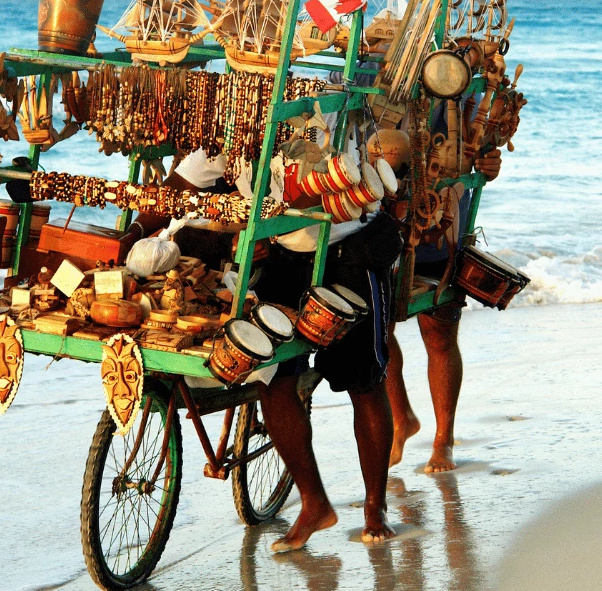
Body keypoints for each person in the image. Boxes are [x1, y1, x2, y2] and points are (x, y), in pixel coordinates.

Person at [133, 120, 402, 552]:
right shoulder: (238, 121)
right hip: (284, 258)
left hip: (347, 252)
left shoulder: (328, 114)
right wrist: (133, 235)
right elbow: (178, 186)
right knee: (274, 382)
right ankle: (314, 503)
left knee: (364, 383)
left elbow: (327, 181)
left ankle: (375, 505)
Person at [386, 99, 503, 473]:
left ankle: (443, 440)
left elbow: (484, 148)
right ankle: (401, 417)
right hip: (384, 226)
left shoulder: (456, 87)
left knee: (438, 338)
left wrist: (489, 162)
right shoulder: (377, 77)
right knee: (375, 331)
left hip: (440, 230)